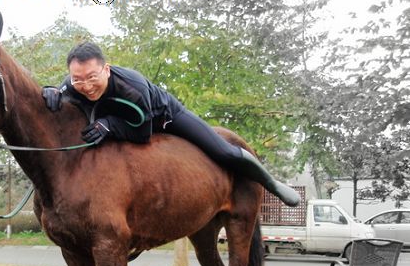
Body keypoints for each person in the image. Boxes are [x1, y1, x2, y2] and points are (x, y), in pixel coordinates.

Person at [41, 42, 300, 207]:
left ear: (106, 69)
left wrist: (109, 125)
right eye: (78, 79)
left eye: (91, 77)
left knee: (223, 151)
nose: (85, 86)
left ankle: (272, 183)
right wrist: (53, 92)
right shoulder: (73, 84)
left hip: (164, 118)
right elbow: (63, 94)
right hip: (127, 121)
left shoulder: (133, 89)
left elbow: (142, 133)